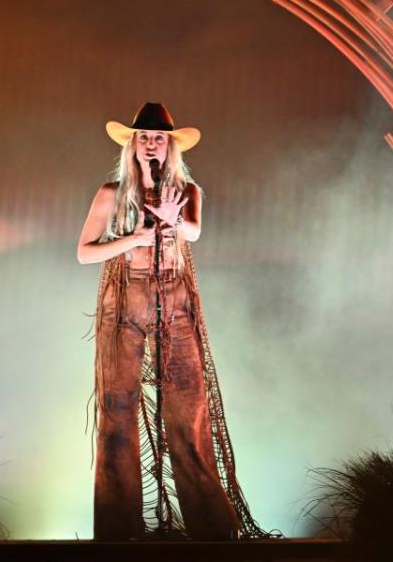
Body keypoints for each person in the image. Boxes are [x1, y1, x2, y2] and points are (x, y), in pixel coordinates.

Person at [77, 102, 267, 541]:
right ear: (132, 144)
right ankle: (118, 529)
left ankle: (212, 529)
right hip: (123, 299)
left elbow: (194, 232)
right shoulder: (112, 192)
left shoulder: (186, 191)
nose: (150, 143)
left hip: (174, 300)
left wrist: (170, 219)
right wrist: (134, 238)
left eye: (157, 137)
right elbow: (85, 251)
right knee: (117, 411)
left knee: (189, 409)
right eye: (143, 137)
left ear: (169, 145)